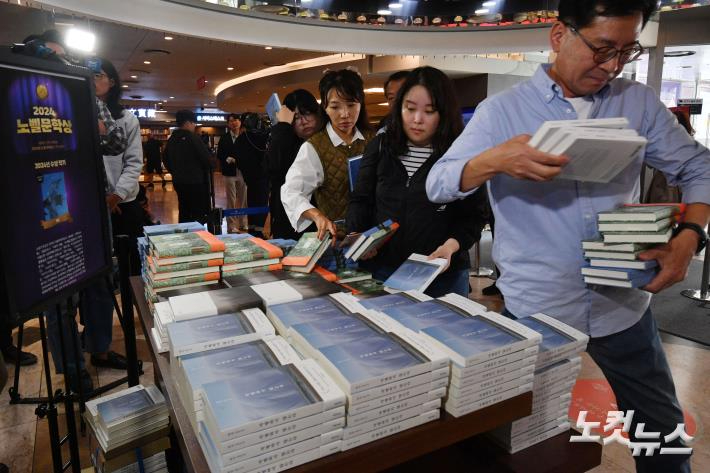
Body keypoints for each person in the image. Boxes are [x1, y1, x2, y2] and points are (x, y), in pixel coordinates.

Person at [426, 1, 710, 471]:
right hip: (537, 307)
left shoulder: (636, 102)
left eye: (626, 51)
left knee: (662, 433)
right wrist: (494, 161)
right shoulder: (503, 111)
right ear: (560, 35)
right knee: (522, 441)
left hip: (623, 299)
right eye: (602, 49)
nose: (613, 65)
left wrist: (691, 235)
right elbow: (439, 184)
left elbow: (698, 165)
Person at [349, 67, 488, 297]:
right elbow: (361, 199)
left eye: (429, 111)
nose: (417, 120)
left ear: (443, 113)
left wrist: (450, 246)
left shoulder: (460, 154)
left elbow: (475, 215)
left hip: (441, 276)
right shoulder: (381, 145)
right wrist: (360, 236)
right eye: (410, 108)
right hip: (383, 270)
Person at [282, 69, 374, 240]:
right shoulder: (314, 147)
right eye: (335, 106)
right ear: (324, 107)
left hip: (372, 239)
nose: (345, 114)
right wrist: (316, 215)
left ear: (361, 103)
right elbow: (291, 192)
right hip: (337, 242)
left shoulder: (373, 139)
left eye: (351, 105)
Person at [265, 89, 322, 240]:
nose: (304, 121)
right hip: (290, 224)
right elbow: (274, 168)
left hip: (322, 223)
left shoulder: (325, 142)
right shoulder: (287, 142)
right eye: (296, 118)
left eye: (308, 113)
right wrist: (282, 125)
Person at [163, 110, 214, 224]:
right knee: (197, 213)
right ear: (187, 122)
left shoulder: (172, 139)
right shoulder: (193, 138)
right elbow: (206, 159)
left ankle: (185, 234)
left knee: (184, 209)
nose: (194, 126)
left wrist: (174, 172)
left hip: (178, 181)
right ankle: (197, 237)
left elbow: (165, 158)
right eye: (193, 123)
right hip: (195, 182)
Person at [234, 113, 269, 236]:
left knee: (252, 202)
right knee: (262, 204)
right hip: (262, 178)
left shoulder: (240, 139)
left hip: (248, 178)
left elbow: (238, 161)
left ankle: (252, 229)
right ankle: (258, 231)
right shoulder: (260, 138)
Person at [217, 113, 248, 233]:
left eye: (235, 120)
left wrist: (239, 160)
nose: (233, 123)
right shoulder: (224, 138)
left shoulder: (245, 136)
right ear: (228, 124)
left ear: (240, 122)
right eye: (230, 121)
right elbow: (220, 154)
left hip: (243, 172)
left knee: (244, 199)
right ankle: (232, 225)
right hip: (229, 172)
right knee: (231, 200)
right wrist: (227, 159)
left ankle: (244, 223)